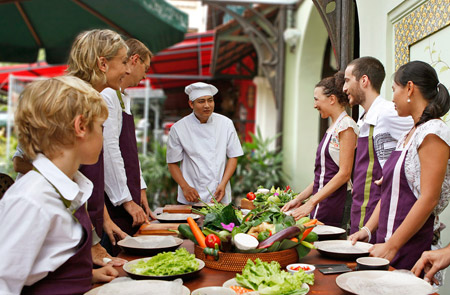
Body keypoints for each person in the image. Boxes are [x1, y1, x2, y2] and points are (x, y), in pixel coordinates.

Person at [0, 76, 119, 294]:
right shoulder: (32, 198)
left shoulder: (67, 186)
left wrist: (88, 276)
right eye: (101, 126)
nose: (103, 134)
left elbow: (47, 265)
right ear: (81, 126)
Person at [349, 61, 450, 271]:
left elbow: (429, 199)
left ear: (410, 88)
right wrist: (368, 230)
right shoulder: (408, 134)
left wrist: (392, 245)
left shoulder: (433, 133)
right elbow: (389, 191)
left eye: (394, 89)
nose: (392, 97)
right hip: (387, 242)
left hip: (409, 249)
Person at [66, 29, 131, 260]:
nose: (128, 69)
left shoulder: (93, 99)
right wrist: (92, 239)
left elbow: (84, 176)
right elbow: (62, 176)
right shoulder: (68, 99)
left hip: (88, 224)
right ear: (102, 63)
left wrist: (104, 219)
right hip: (67, 230)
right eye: (123, 62)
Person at [343, 56, 413, 241]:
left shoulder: (388, 111)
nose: (344, 88)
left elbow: (419, 138)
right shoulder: (365, 117)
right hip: (361, 210)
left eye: (347, 80)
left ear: (364, 80)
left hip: (378, 214)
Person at [101, 38, 156, 254]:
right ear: (134, 60)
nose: (145, 75)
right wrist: (125, 200)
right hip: (114, 200)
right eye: (145, 67)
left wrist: (139, 187)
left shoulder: (122, 96)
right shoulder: (107, 95)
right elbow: (110, 150)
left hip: (127, 194)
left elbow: (130, 151)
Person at [282, 72, 358, 226]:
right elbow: (323, 176)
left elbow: (344, 174)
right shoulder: (334, 127)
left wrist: (311, 202)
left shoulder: (346, 126)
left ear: (332, 99)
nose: (314, 105)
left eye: (317, 99)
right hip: (324, 200)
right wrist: (299, 199)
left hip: (337, 200)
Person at [167, 82, 243, 204]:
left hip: (219, 193)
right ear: (191, 104)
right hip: (191, 196)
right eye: (201, 101)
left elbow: (233, 156)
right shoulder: (178, 128)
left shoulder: (226, 124)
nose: (207, 105)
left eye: (210, 100)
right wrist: (185, 187)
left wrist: (223, 184)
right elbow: (172, 162)